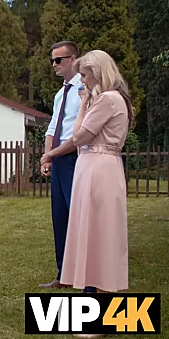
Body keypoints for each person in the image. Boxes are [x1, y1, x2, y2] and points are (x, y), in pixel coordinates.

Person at [44, 49, 132, 338]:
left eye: (85, 74)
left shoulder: (107, 99)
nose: (81, 79)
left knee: (98, 235)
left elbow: (79, 135)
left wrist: (83, 103)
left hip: (97, 167)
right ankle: (95, 310)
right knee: (94, 233)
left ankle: (100, 320)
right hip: (96, 166)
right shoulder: (111, 99)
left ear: (98, 72)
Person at [39, 41, 95, 292]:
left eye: (58, 60)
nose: (53, 65)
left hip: (77, 158)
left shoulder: (87, 91)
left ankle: (89, 279)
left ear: (73, 59)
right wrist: (48, 157)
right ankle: (64, 274)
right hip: (59, 160)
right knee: (60, 217)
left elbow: (81, 133)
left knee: (80, 218)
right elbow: (54, 127)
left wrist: (54, 153)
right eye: (52, 60)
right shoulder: (60, 94)